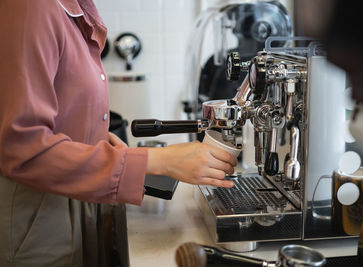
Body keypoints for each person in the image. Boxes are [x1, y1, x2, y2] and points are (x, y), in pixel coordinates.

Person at [0, 1, 237, 266]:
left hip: (80, 196)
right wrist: (159, 160)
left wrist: (110, 149)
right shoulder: (31, 7)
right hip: (41, 217)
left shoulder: (73, 9)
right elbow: (24, 150)